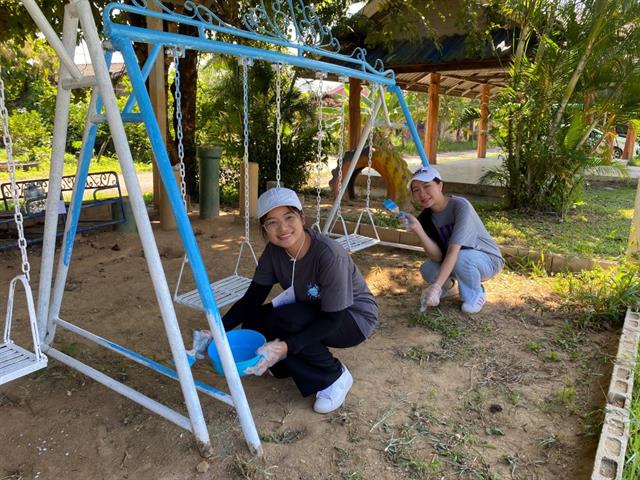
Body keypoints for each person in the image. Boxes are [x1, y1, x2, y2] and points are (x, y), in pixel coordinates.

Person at [222, 187, 378, 414]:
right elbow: (251, 300)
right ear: (265, 229)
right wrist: (217, 330)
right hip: (312, 307)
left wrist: (287, 346)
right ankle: (285, 367)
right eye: (272, 222)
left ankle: (334, 376)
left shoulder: (328, 255)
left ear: (302, 218)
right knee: (256, 320)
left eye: (289, 217)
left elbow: (332, 320)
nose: (283, 228)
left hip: (352, 318)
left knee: (285, 320)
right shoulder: (274, 252)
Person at [403, 166, 503, 314]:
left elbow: (453, 252)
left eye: (427, 186)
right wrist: (418, 228)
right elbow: (437, 256)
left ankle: (475, 293)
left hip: (487, 260)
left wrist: (435, 286)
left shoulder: (460, 206)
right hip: (458, 260)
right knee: (428, 269)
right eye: (416, 190)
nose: (422, 194)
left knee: (461, 257)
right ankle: (447, 286)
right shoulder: (425, 218)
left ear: (440, 185)